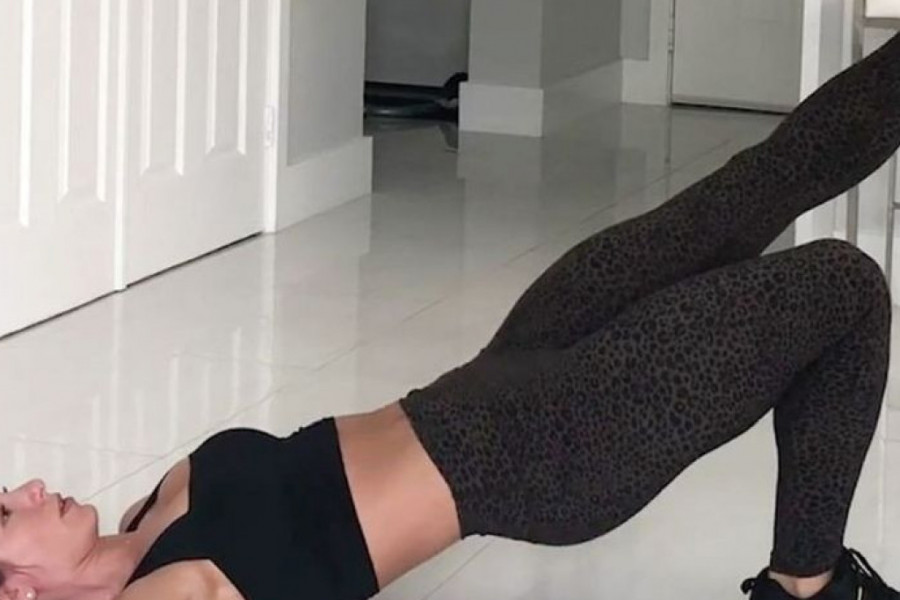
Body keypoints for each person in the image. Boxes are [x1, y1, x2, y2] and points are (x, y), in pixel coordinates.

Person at [3, 31, 900, 600]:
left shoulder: (146, 514)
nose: (31, 487)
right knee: (843, 286)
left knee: (755, 184)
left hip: (501, 369)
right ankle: (807, 583)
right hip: (548, 448)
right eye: (8, 514)